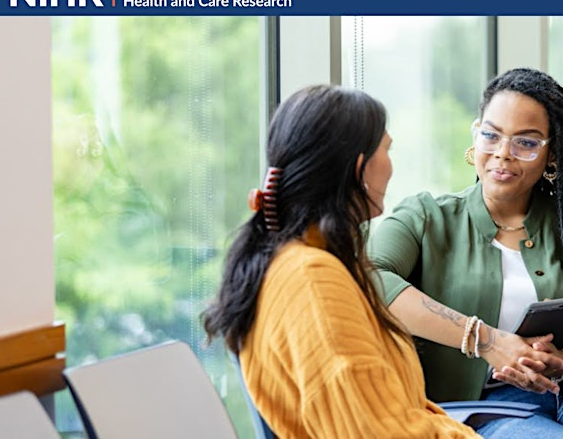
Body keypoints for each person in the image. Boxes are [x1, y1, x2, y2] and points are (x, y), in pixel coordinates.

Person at [371, 68, 563, 438]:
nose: (503, 154)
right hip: (491, 411)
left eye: (526, 143)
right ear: (475, 134)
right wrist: (487, 341)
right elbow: (368, 279)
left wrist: (561, 363)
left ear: (552, 154)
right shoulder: (425, 218)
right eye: (491, 135)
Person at [201, 85, 481, 438]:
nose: (391, 166)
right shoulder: (311, 280)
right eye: (387, 150)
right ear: (360, 168)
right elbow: (377, 432)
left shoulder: (303, 263)